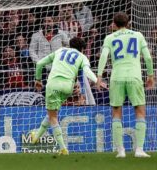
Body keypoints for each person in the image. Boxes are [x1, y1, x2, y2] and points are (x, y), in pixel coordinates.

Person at [31, 37, 104, 155]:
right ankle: (36, 136)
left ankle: (62, 148)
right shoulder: (82, 57)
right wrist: (97, 81)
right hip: (68, 87)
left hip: (54, 84)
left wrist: (38, 80)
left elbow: (39, 63)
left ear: (70, 45)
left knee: (53, 116)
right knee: (52, 113)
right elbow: (87, 71)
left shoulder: (60, 51)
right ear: (82, 49)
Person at [97, 12, 154, 158]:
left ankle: (121, 150)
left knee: (116, 113)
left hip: (117, 78)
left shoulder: (109, 38)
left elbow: (103, 56)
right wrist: (150, 75)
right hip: (135, 77)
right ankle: (139, 149)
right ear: (128, 22)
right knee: (140, 111)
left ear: (114, 24)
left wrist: (99, 76)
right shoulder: (138, 35)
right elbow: (147, 56)